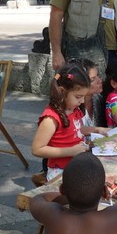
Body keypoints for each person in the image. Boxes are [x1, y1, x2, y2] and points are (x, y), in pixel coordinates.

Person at [31, 57, 104, 187]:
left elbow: (75, 130)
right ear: (63, 92)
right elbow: (37, 149)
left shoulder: (74, 109)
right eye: (78, 97)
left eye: (83, 96)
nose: (82, 101)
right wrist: (70, 151)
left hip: (76, 166)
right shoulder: (51, 118)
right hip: (60, 172)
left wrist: (97, 130)